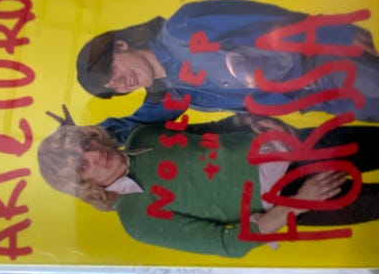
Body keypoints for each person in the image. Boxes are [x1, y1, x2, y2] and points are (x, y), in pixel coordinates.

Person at [37, 110, 379, 258]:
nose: (95, 155)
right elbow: (227, 243)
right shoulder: (137, 220)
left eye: (86, 144)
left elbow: (217, 129)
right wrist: (299, 202)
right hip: (295, 199)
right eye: (83, 164)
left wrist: (249, 120)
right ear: (82, 183)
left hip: (297, 145)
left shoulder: (144, 134)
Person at [76, 0, 379, 144]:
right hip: (327, 102)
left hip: (327, 65)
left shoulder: (182, 28)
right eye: (112, 88)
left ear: (121, 46)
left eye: (112, 70)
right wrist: (81, 140)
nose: (120, 83)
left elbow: (261, 18)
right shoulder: (169, 96)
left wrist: (332, 31)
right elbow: (128, 128)